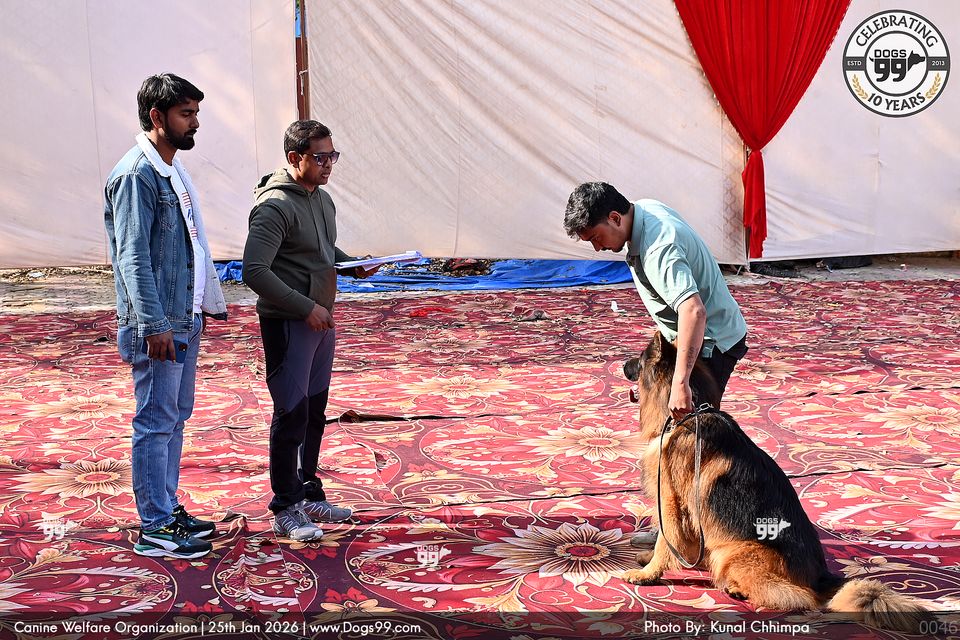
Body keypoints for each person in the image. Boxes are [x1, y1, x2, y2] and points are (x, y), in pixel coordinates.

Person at [564, 181, 748, 546]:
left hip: (711, 346)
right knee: (683, 442)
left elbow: (693, 311)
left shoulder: (658, 247)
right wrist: (655, 380)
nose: (597, 248)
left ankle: (687, 535)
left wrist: (679, 384)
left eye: (596, 237)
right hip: (693, 339)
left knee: (687, 447)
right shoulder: (641, 211)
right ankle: (682, 529)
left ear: (615, 217)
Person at [104, 73, 227, 559]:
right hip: (158, 324)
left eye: (195, 113)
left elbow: (189, 244)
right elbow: (132, 257)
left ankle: (167, 508)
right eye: (186, 114)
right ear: (157, 116)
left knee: (174, 418)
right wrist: (154, 324)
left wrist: (200, 306)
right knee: (155, 422)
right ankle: (155, 526)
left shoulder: (170, 169)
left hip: (182, 317)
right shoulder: (137, 174)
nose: (194, 123)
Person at [242, 120, 379, 541]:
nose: (328, 164)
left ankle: (307, 491)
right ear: (294, 157)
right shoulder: (274, 207)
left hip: (321, 321)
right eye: (320, 157)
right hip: (290, 323)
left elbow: (319, 251)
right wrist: (305, 308)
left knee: (314, 411)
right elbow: (254, 271)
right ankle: (286, 506)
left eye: (332, 155)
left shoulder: (322, 199)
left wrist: (352, 264)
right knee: (291, 413)